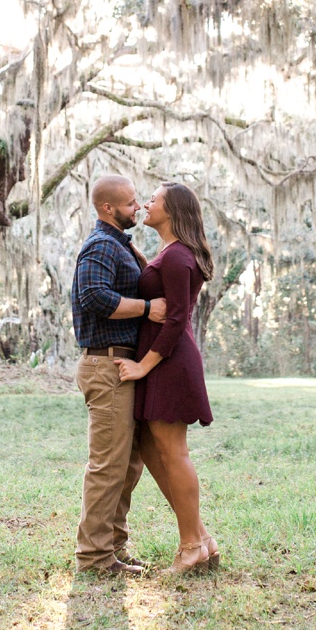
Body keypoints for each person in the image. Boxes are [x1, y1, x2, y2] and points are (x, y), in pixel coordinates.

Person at [117, 181, 218, 575]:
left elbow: (176, 319)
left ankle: (191, 546)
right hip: (165, 363)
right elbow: (157, 280)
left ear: (172, 210)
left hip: (169, 364)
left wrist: (144, 366)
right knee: (155, 449)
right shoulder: (172, 254)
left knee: (174, 452)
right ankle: (202, 538)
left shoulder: (178, 257)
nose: (145, 204)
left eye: (153, 200)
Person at [69, 173, 165, 578]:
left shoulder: (118, 244)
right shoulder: (101, 246)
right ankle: (93, 558)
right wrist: (146, 309)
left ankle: (113, 548)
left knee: (128, 464)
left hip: (121, 366)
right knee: (108, 464)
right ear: (107, 208)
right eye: (129, 204)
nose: (138, 207)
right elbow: (91, 296)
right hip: (105, 364)